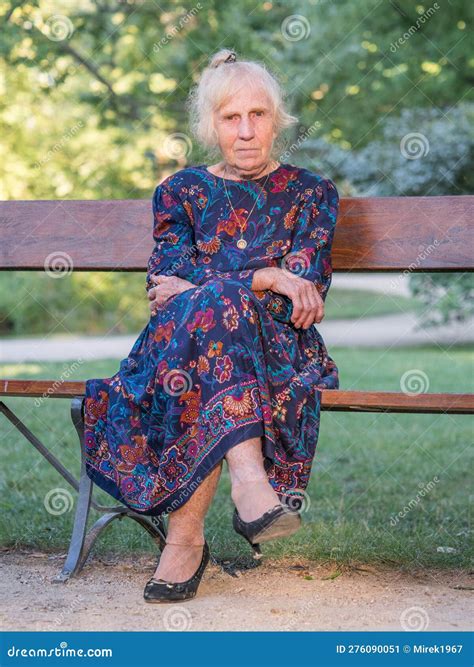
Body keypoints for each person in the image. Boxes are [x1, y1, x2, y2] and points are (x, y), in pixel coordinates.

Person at [83, 48, 340, 603]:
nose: (246, 131)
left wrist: (236, 285)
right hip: (180, 343)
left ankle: (185, 540)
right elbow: (163, 286)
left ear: (277, 118)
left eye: (258, 115)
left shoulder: (313, 194)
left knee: (215, 312)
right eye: (230, 118)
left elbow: (302, 295)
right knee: (210, 322)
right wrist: (268, 272)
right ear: (210, 125)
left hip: (273, 347)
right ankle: (251, 486)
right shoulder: (181, 192)